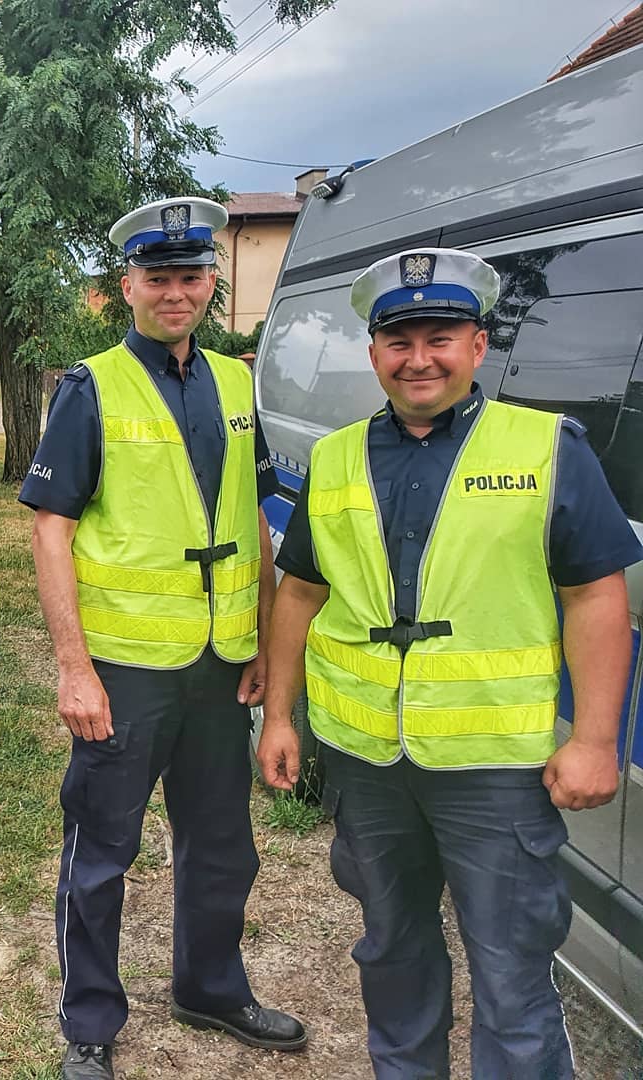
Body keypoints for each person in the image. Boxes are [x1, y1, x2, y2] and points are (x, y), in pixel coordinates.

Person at [258, 247, 640, 1079]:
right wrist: (281, 717)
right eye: (400, 340)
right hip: (369, 765)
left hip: (493, 772)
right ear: (375, 355)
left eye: (440, 336)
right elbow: (299, 595)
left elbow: (597, 598)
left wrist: (596, 739)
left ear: (476, 344)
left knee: (511, 974)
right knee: (392, 950)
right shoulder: (336, 458)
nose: (418, 357)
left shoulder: (547, 450)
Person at [20, 196, 307, 1079]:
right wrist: (74, 668)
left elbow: (252, 520)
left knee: (223, 843)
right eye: (159, 278)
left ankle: (210, 988)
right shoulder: (90, 385)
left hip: (220, 666)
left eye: (191, 277)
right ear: (128, 286)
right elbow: (50, 531)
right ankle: (90, 1024)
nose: (175, 293)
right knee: (102, 851)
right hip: (126, 668)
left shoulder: (232, 382)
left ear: (212, 284)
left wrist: (261, 638)